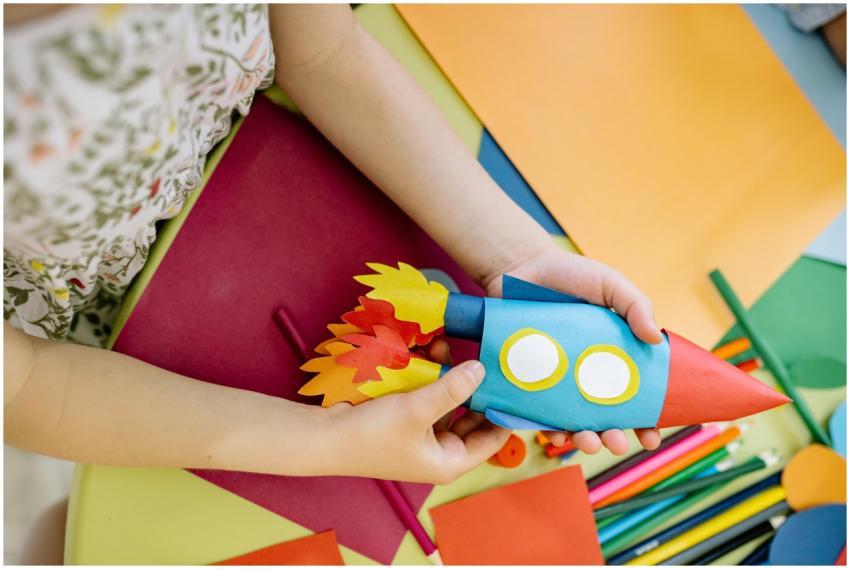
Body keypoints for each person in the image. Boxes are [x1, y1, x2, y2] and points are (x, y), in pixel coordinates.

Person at [4, 4, 663, 496]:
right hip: (127, 354)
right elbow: (26, 385)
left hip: (297, 165)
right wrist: (332, 443)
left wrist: (518, 255)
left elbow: (322, 49)